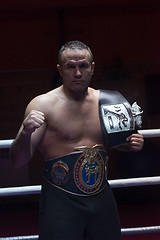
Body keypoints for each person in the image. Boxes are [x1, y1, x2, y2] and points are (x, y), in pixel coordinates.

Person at [10, 41, 144, 240]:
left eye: (83, 66)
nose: (78, 73)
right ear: (60, 70)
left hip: (101, 196)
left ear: (92, 68)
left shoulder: (108, 103)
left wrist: (133, 143)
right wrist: (25, 133)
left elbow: (119, 142)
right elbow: (18, 161)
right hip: (60, 199)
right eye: (70, 66)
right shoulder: (43, 105)